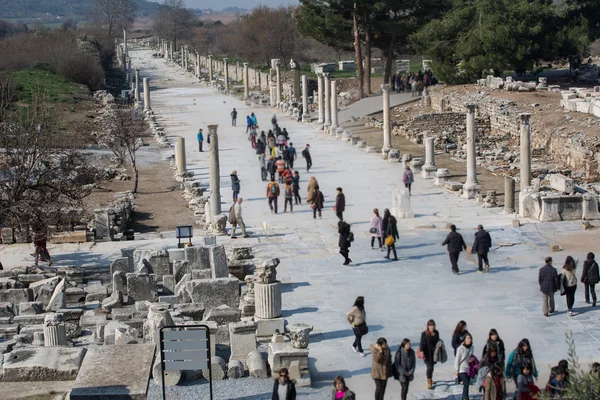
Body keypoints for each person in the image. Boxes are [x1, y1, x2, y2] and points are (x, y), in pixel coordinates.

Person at [420, 319, 440, 390]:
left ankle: (430, 378)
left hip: (434, 353)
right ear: (428, 326)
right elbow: (422, 343)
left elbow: (438, 340)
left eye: (433, 325)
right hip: (427, 352)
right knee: (429, 367)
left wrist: (440, 345)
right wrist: (422, 351)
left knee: (432, 366)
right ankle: (429, 381)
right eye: (430, 325)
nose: (432, 327)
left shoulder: (436, 332)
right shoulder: (424, 333)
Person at [455, 332, 474, 400]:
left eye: (470, 338)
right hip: (462, 369)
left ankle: (464, 397)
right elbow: (457, 359)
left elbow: (471, 356)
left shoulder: (472, 347)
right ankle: (466, 398)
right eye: (468, 338)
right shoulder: (460, 348)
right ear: (464, 339)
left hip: (468, 368)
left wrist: (472, 360)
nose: (470, 340)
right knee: (466, 383)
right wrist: (456, 369)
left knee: (467, 384)